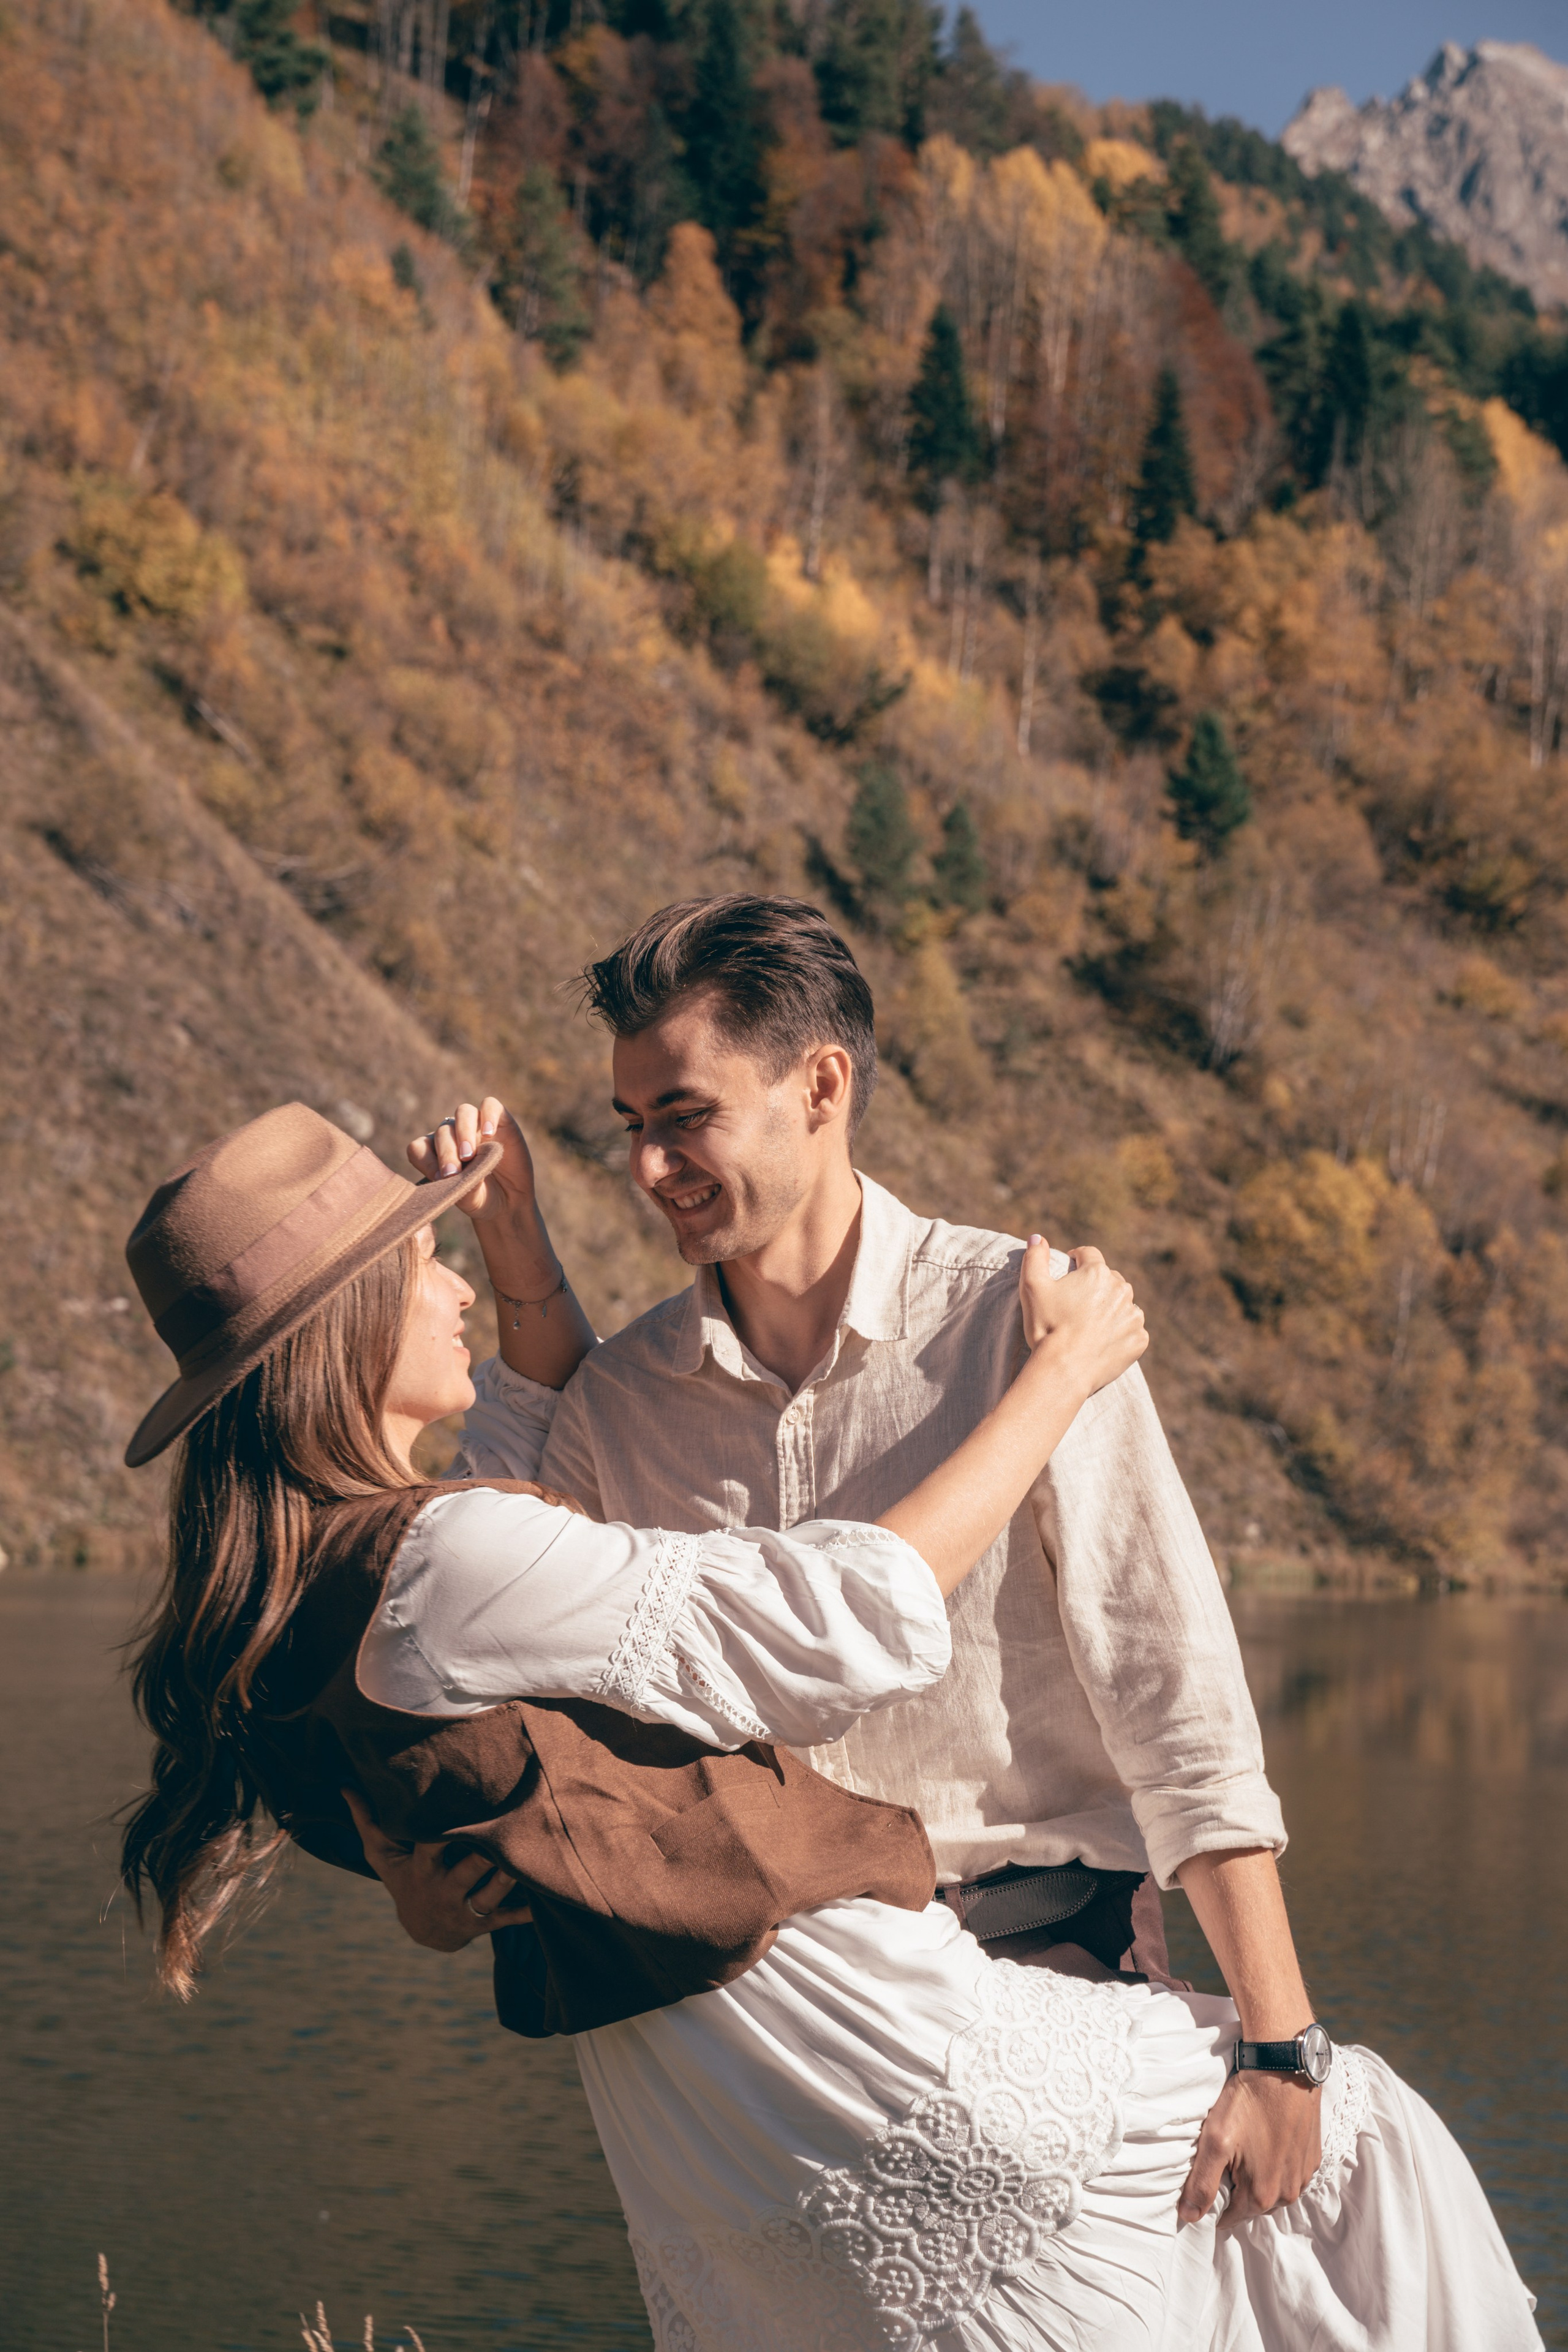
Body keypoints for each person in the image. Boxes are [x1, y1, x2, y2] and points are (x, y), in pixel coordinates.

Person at [116, 1098, 1540, 2351]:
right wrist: (1057, 1378)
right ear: (347, 1328)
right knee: (1354, 2157)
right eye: (417, 1265)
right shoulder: (446, 1560)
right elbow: (833, 1614)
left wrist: (515, 1245)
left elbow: (522, 1466)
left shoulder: (291, 1600)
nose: (448, 1290)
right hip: (845, 2028)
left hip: (691, 2115)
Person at [433, 895, 1301, 2220]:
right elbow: (511, 1639)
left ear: (821, 1086)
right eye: (631, 1125)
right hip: (753, 2048)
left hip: (1044, 1998)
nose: (649, 1166)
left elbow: (1172, 1695)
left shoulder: (1026, 1328)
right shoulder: (621, 1401)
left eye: (684, 1117)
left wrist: (1278, 2044)